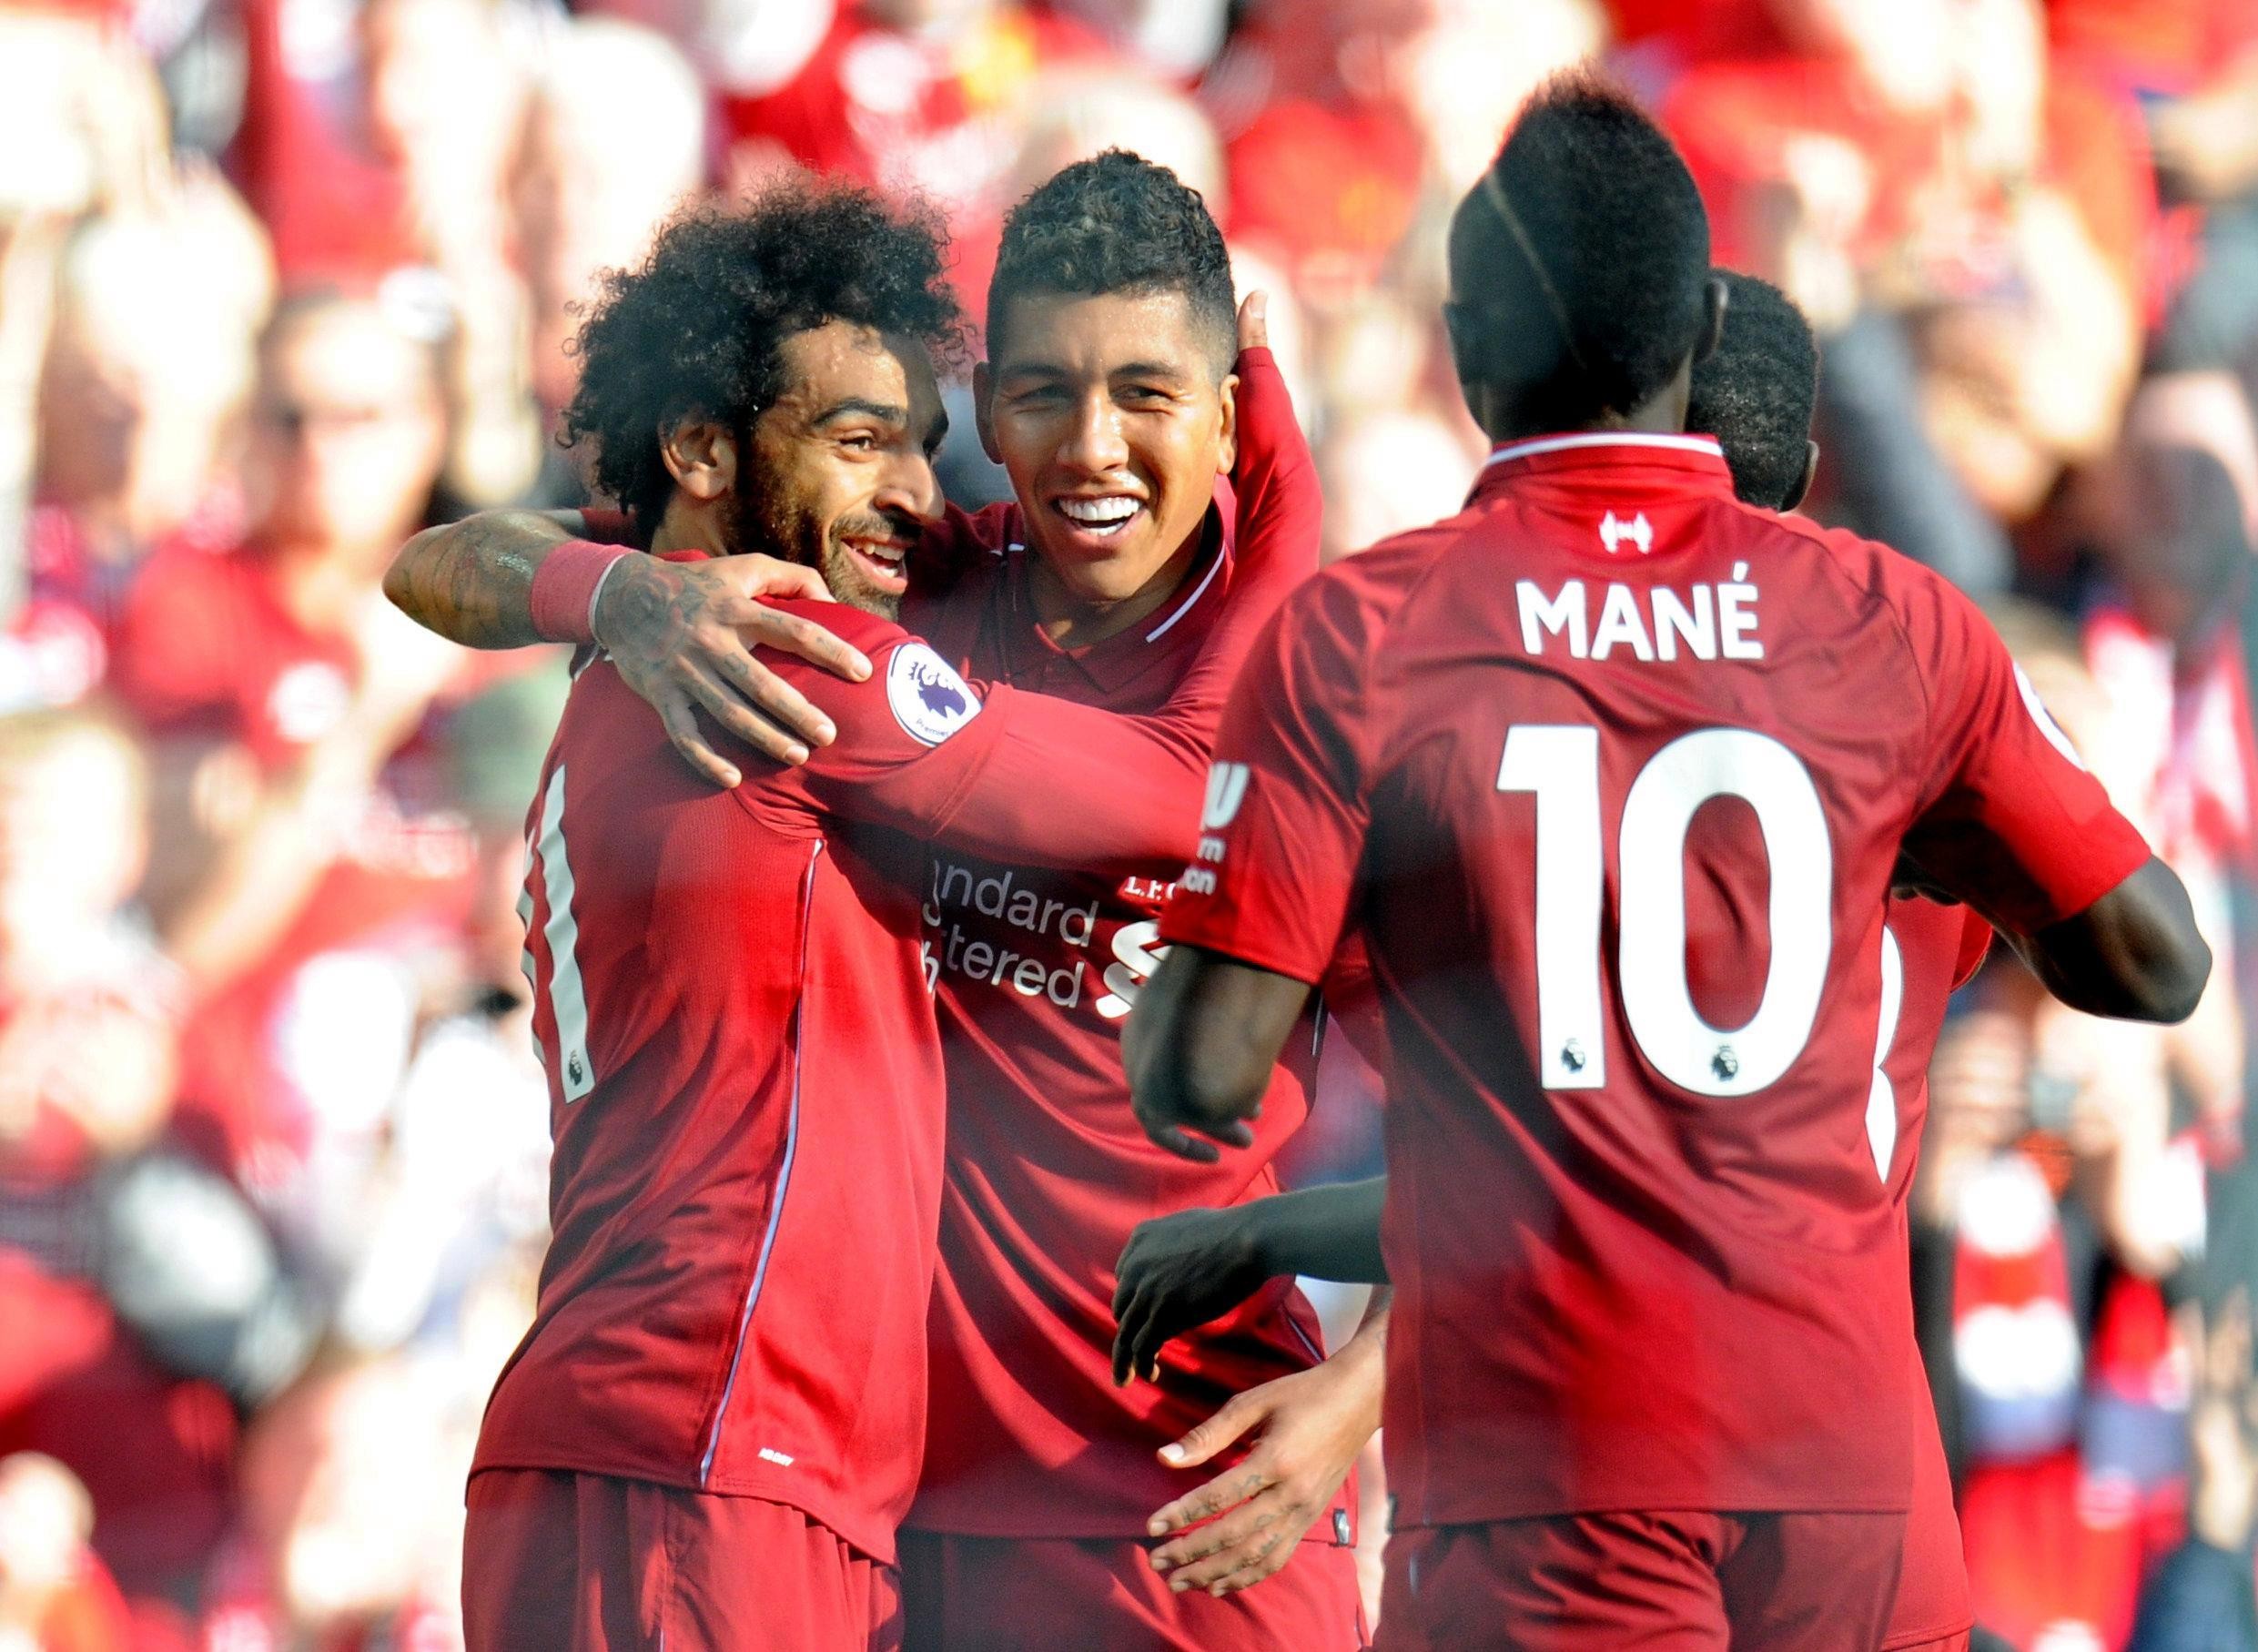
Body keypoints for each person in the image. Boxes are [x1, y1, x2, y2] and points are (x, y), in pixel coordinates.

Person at [1124, 74, 2210, 1649]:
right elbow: (2157, 963)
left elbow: (1204, 1079)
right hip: (1853, 1476)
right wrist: (1943, 839)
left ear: (1465, 346)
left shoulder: (1370, 632)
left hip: (1559, 1463)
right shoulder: (1896, 634)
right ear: (1694, 338)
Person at [388, 154, 1370, 1648]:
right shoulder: (805, 636)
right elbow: (436, 561)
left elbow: (1527, 1104)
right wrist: (624, 591)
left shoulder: (1351, 710)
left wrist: (1365, 1394)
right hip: (774, 1476)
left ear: (1222, 411)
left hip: (1178, 1510)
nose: (1087, 446)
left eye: (1148, 395)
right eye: (1035, 394)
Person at [1113, 269, 1995, 1649]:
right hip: (1857, 1489)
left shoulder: (1521, 767)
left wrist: (1350, 1383)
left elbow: (1583, 1187)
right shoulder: (1909, 725)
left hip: (1585, 1487)